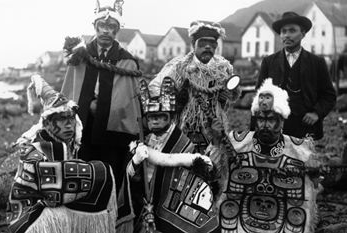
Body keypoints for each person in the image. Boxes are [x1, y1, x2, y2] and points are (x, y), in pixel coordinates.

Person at [210, 78, 325, 233]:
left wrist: (314, 169)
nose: (264, 125)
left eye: (271, 119)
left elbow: (314, 181)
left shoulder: (298, 149)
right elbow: (216, 168)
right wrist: (217, 140)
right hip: (239, 217)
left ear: (282, 122)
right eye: (261, 119)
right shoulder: (237, 142)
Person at [6, 75, 117, 233]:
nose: (68, 125)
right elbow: (54, 178)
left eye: (71, 118)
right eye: (61, 119)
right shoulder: (33, 148)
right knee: (61, 216)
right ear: (47, 123)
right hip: (28, 215)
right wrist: (101, 170)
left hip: (50, 204)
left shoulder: (67, 145)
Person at [119, 77, 220, 233]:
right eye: (152, 117)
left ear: (170, 117)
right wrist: (135, 160)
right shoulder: (142, 142)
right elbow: (130, 177)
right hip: (144, 203)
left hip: (168, 208)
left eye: (160, 116)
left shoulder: (184, 144)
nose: (155, 121)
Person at [61, 0, 142, 189]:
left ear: (117, 31)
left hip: (112, 135)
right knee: (81, 176)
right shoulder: (80, 57)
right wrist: (87, 104)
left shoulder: (127, 62)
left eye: (111, 26)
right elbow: (69, 91)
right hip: (83, 129)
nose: (106, 31)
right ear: (95, 27)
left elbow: (128, 101)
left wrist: (107, 108)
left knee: (109, 179)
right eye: (102, 26)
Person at [148, 20, 241, 154]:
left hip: (212, 129)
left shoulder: (222, 68)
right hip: (183, 127)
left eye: (212, 43)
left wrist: (223, 99)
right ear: (193, 44)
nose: (208, 47)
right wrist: (173, 99)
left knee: (212, 166)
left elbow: (231, 97)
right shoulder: (179, 67)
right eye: (202, 43)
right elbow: (154, 87)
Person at [255, 11, 336, 140]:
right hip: (274, 127)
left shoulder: (317, 62)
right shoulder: (269, 62)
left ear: (303, 34)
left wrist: (316, 113)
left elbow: (329, 95)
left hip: (304, 126)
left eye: (292, 30)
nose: (287, 35)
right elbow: (259, 95)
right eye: (283, 31)